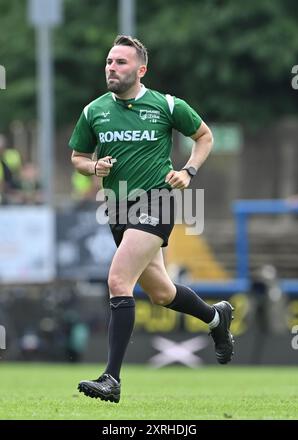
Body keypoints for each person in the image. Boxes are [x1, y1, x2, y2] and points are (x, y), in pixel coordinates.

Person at [69, 35, 234, 404]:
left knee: (118, 279)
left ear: (141, 69)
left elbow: (204, 137)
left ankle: (111, 378)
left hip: (156, 201)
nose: (112, 67)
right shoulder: (93, 111)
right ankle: (215, 319)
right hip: (117, 208)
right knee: (161, 293)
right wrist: (93, 166)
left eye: (121, 62)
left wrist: (188, 170)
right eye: (109, 61)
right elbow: (78, 157)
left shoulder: (167, 104)